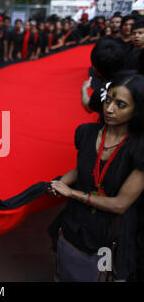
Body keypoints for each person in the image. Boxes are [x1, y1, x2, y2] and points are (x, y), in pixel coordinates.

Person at [49, 71, 144, 281]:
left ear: (137, 110)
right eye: (108, 100)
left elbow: (120, 204)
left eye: (120, 105)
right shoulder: (86, 132)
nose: (109, 109)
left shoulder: (139, 148)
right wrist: (60, 183)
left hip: (110, 234)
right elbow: (83, 168)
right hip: (75, 225)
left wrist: (72, 193)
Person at [81, 38, 125, 114]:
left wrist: (84, 89)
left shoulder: (101, 93)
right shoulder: (135, 80)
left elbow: (88, 108)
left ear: (96, 70)